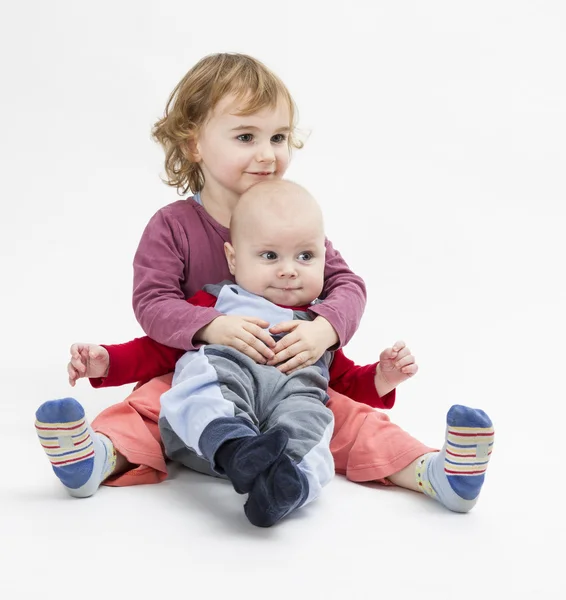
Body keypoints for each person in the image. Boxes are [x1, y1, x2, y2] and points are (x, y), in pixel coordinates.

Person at [35, 53, 494, 517]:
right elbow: (153, 305)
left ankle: (434, 473)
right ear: (195, 144)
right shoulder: (174, 226)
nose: (266, 153)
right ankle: (96, 458)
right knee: (149, 405)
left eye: (277, 137)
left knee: (352, 418)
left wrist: (323, 330)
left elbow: (347, 285)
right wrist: (205, 329)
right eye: (245, 137)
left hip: (290, 379)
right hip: (202, 372)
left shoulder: (290, 217)